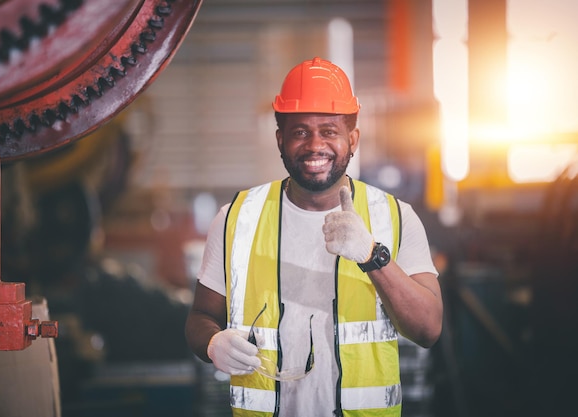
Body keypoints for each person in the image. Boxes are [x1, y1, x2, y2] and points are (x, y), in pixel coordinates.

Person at [185, 57, 443, 417]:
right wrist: (212, 342)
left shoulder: (395, 217)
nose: (314, 145)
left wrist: (371, 254)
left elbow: (428, 329)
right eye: (300, 131)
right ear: (280, 139)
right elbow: (200, 315)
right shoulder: (236, 218)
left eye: (329, 130)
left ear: (352, 139)